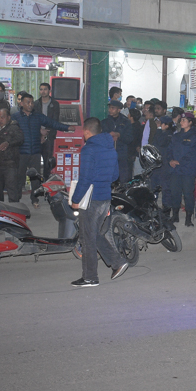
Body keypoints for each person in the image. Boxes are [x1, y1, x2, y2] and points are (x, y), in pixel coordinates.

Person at [69, 117, 128, 287]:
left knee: (87, 239)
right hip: (105, 198)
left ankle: (90, 277)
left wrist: (75, 199)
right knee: (93, 234)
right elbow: (115, 176)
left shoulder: (89, 150)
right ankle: (117, 262)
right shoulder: (111, 148)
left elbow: (85, 178)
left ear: (86, 132)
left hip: (91, 200)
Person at [15, 92, 69, 206]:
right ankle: (16, 199)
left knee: (35, 178)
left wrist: (67, 128)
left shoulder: (38, 117)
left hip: (35, 151)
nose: (30, 105)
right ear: (21, 104)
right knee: (19, 177)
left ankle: (34, 199)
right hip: (21, 152)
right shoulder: (16, 117)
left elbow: (52, 123)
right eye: (27, 102)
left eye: (31, 102)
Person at [164, 112, 196, 226]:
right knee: (175, 193)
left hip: (187, 170)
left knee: (188, 194)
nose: (182, 122)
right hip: (175, 169)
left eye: (184, 120)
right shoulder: (176, 136)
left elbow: (193, 154)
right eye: (181, 120)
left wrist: (178, 162)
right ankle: (175, 216)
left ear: (190, 122)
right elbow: (169, 150)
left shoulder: (195, 137)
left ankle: (189, 218)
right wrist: (170, 160)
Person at [0, 105, 24, 203]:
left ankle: (15, 210)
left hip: (10, 165)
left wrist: (8, 143)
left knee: (12, 189)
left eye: (2, 117)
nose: (0, 120)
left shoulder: (14, 128)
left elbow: (20, 139)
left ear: (8, 118)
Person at [101, 100, 134, 184]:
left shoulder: (126, 122)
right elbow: (100, 137)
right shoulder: (104, 122)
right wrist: (109, 136)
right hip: (108, 154)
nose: (110, 110)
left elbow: (129, 138)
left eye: (113, 108)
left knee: (123, 179)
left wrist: (119, 135)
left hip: (122, 155)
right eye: (109, 108)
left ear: (119, 110)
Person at [37, 82, 61, 166]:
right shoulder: (36, 104)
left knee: (48, 162)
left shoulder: (55, 104)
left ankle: (46, 178)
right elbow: (34, 120)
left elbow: (54, 120)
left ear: (49, 90)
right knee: (36, 162)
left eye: (45, 89)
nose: (43, 91)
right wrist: (40, 132)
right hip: (37, 137)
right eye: (41, 89)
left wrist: (45, 134)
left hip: (49, 137)